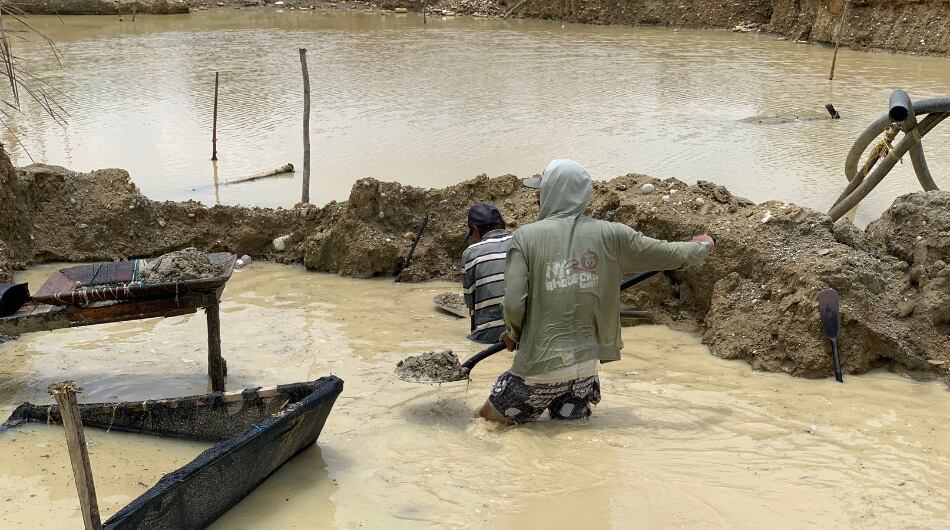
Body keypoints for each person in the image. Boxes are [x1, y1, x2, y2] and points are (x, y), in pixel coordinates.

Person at [478, 160, 715, 425]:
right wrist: (702, 246)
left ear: (554, 193)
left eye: (541, 189)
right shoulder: (612, 235)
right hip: (585, 369)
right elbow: (669, 252)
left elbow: (513, 304)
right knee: (568, 440)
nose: (536, 195)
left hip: (539, 369)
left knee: (486, 423)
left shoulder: (525, 237)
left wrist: (513, 333)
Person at [462, 203, 512, 344]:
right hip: (525, 331)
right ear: (503, 225)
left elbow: (472, 307)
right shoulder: (521, 242)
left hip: (490, 334)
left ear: (476, 230)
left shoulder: (470, 252)